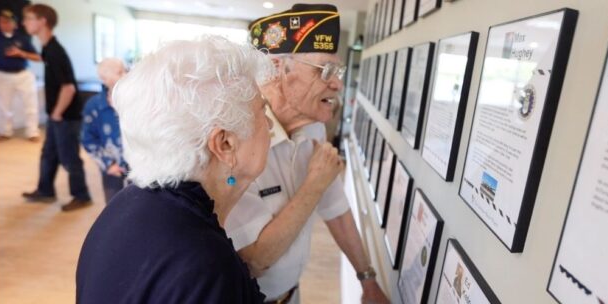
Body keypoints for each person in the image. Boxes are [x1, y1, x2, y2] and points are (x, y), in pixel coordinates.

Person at [76, 36, 277, 303]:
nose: (271, 125)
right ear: (225, 144)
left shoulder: (127, 202)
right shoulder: (206, 265)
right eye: (262, 111)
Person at [222, 4, 390, 304]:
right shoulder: (235, 141)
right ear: (278, 69)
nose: (337, 84)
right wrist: (314, 183)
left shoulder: (311, 126)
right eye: (325, 70)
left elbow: (335, 204)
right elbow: (256, 260)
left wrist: (368, 279)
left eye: (337, 71)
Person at [20, 3, 92, 211]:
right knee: (49, 153)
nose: (25, 22)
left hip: (66, 116)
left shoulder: (55, 51)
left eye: (29, 18)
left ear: (42, 21)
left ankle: (82, 196)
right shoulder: (47, 47)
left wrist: (58, 113)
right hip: (57, 115)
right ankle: (45, 191)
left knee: (69, 157)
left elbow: (68, 88)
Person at [80, 58, 128, 204]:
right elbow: (88, 139)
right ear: (104, 78)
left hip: (139, 169)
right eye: (120, 72)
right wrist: (108, 163)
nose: (125, 75)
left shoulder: (137, 101)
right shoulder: (94, 106)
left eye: (125, 70)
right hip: (111, 169)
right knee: (113, 208)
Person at [0, 9, 41, 141]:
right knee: (3, 106)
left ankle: (32, 132)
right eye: (1, 21)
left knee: (31, 105)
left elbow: (38, 57)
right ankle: (5, 131)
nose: (4, 24)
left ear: (15, 24)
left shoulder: (23, 39)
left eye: (7, 21)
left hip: (23, 75)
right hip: (1, 75)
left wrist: (21, 53)